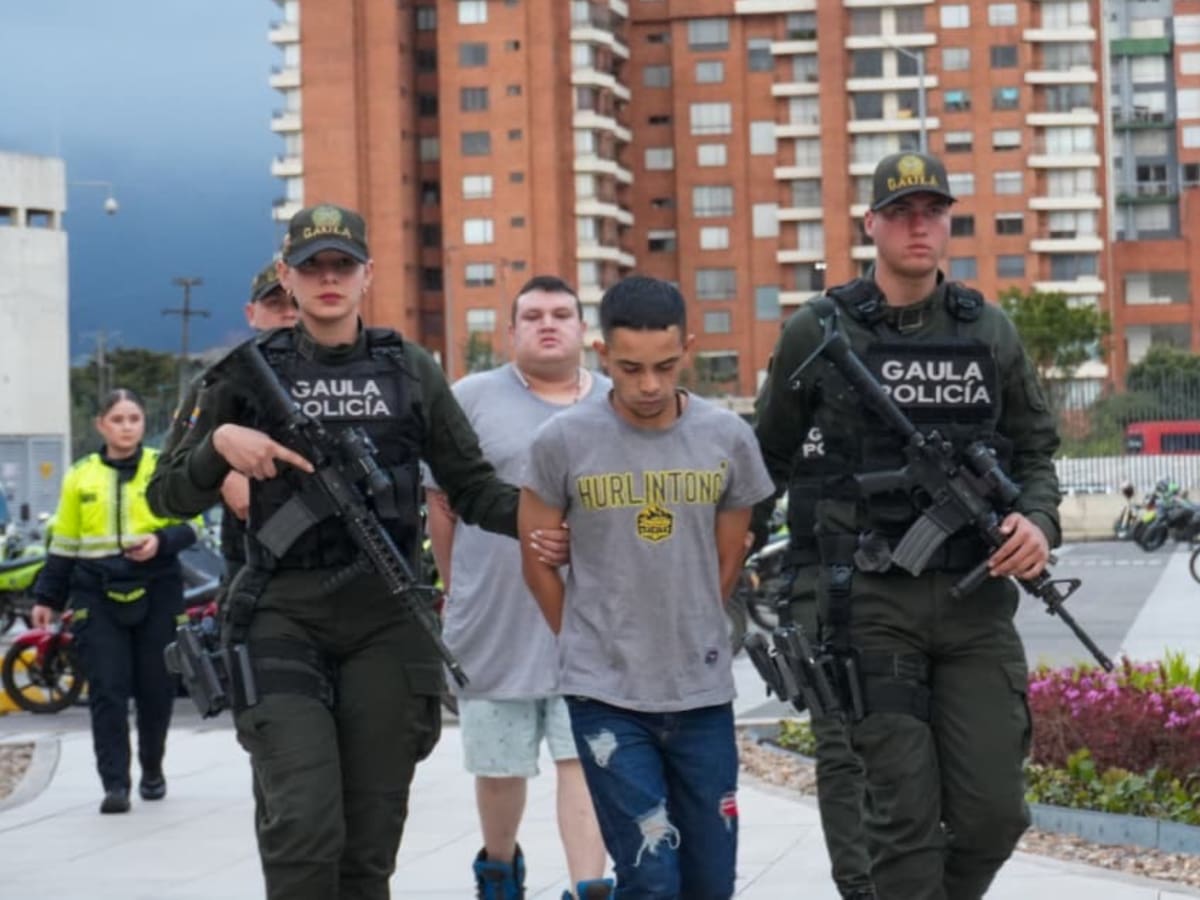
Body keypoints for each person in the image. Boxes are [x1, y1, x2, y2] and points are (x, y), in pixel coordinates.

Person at [146, 203, 564, 900]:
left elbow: (473, 488)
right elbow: (165, 495)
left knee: (369, 846)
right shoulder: (241, 378)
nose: (329, 278)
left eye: (343, 264)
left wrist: (546, 523)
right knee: (304, 825)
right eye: (313, 267)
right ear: (288, 277)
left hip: (385, 615)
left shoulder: (410, 371)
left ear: (368, 275)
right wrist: (219, 450)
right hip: (280, 612)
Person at [753, 151, 1061, 900]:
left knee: (995, 815)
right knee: (902, 826)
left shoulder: (987, 329)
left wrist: (1039, 522)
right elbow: (765, 462)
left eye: (932, 211)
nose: (918, 226)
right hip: (866, 601)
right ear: (872, 225)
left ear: (949, 222)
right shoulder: (818, 330)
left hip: (975, 600)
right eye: (901, 213)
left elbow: (1038, 449)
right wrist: (737, 581)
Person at [519, 276, 775, 899]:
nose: (650, 385)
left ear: (686, 347)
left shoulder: (726, 438)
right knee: (652, 875)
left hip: (701, 695)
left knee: (710, 884)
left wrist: (688, 625)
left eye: (664, 366)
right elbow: (535, 560)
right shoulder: (563, 442)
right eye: (630, 369)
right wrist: (585, 641)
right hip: (606, 696)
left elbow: (729, 554)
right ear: (602, 353)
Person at [425, 275, 610, 900]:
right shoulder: (469, 399)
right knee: (499, 768)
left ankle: (589, 886)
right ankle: (499, 868)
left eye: (562, 313)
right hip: (494, 619)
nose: (548, 324)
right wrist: (459, 591)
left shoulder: (615, 401)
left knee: (582, 759)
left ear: (584, 329)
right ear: (510, 332)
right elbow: (442, 508)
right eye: (533, 315)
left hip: (591, 624)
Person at [31, 389, 201, 814]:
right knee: (107, 690)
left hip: (157, 586)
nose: (127, 426)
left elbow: (192, 525)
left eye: (134, 418)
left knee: (156, 689)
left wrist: (159, 541)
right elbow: (64, 543)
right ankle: (115, 785)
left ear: (143, 424)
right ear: (101, 425)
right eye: (118, 419)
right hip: (96, 592)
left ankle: (152, 770)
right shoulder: (80, 475)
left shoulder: (163, 467)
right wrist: (47, 597)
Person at [755, 420, 873, 900]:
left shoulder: (904, 369)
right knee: (838, 743)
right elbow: (753, 480)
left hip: (900, 577)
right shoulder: (795, 385)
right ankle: (859, 885)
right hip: (813, 576)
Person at [161, 260, 298, 575]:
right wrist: (222, 475)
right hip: (251, 554)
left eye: (296, 303)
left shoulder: (343, 376)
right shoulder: (222, 382)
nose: (288, 313)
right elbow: (175, 465)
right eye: (275, 303)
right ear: (251, 314)